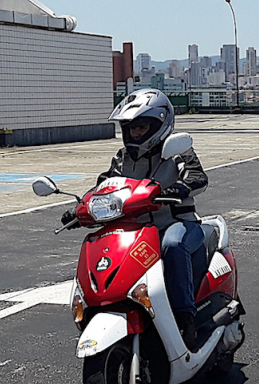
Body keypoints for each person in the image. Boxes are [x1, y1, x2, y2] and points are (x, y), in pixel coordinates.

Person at [62, 89, 208, 348]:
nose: (135, 134)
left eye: (141, 127)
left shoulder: (177, 150)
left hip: (176, 224)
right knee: (101, 244)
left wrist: (179, 188)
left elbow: (197, 176)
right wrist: (81, 207)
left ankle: (186, 317)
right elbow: (104, 185)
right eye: (130, 128)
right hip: (137, 230)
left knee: (172, 246)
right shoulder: (122, 158)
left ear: (160, 124)